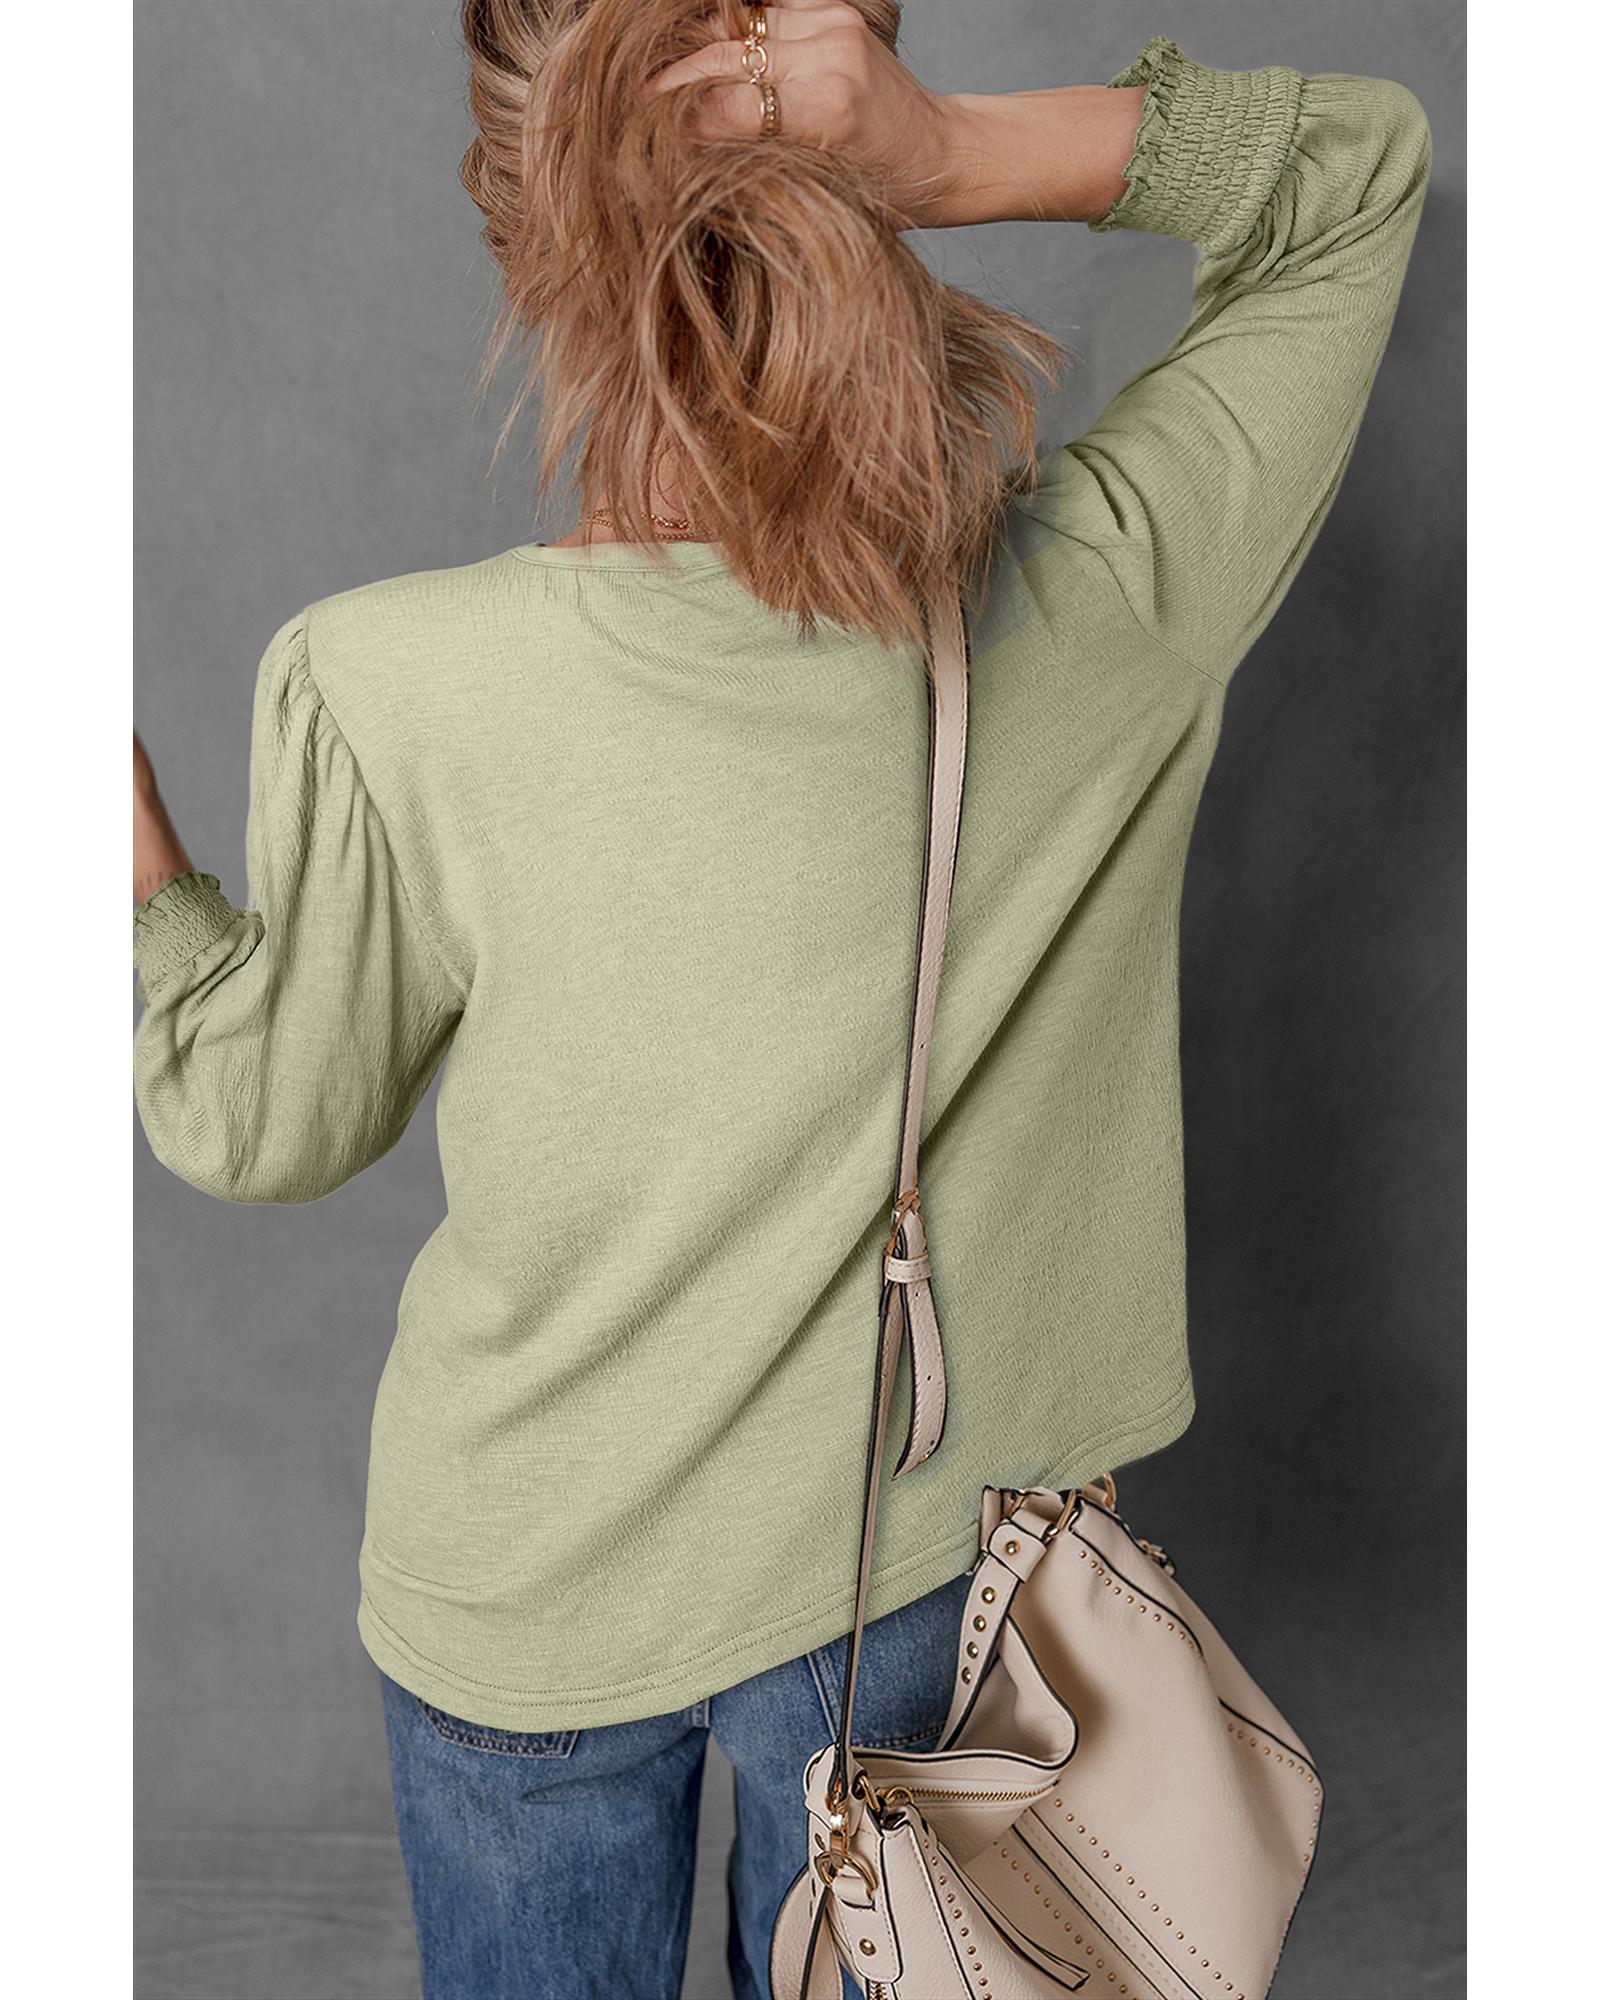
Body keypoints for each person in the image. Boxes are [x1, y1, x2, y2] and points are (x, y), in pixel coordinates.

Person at [131, 4, 1432, 1996]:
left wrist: (140, 875)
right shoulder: (1104, 601)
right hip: (919, 1583)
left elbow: (256, 1121)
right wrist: (946, 150)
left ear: (518, 224)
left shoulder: (386, 685)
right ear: (857, 162)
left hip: (521, 1577)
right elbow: (1353, 175)